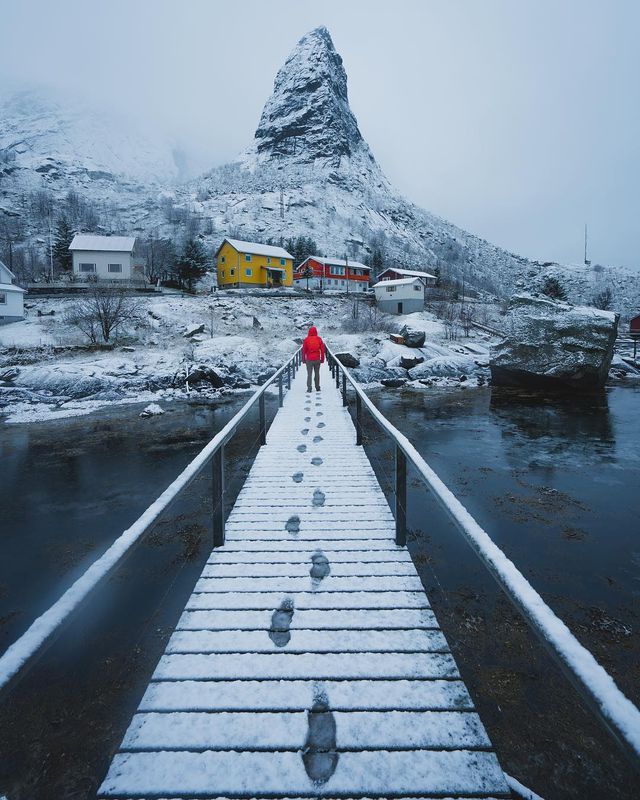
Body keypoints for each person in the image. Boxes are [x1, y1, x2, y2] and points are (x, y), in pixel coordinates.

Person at [302, 325, 325, 392]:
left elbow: (303, 351)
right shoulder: (319, 339)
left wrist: (303, 359)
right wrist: (322, 359)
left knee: (309, 374)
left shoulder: (306, 339)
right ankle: (317, 387)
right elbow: (322, 350)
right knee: (317, 373)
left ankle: (309, 388)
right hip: (317, 359)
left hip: (309, 360)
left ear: (309, 332)